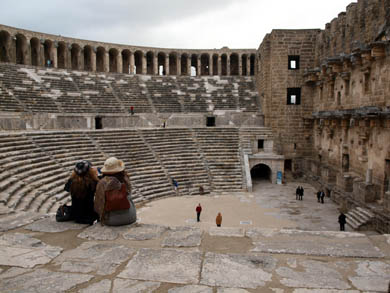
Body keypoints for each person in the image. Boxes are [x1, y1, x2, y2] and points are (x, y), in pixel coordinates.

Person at [94, 157, 136, 226]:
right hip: (130, 217)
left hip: (111, 220)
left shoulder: (102, 182)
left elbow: (98, 204)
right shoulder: (125, 178)